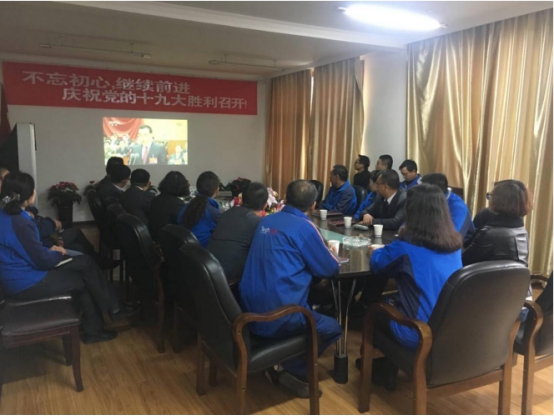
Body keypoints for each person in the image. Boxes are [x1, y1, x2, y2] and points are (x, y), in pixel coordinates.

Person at [0, 172, 137, 344]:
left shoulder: (7, 215)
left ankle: (109, 313)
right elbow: (42, 261)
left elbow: (26, 249)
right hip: (26, 282)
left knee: (85, 265)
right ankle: (101, 322)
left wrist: (49, 249)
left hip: (20, 274)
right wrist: (58, 252)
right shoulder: (19, 222)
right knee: (83, 275)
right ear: (29, 195)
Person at [239, 180, 342, 398]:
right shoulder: (305, 227)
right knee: (333, 328)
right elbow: (330, 268)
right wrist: (329, 251)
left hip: (247, 307)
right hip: (278, 315)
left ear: (285, 198)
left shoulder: (267, 221)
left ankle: (282, 360)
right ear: (313, 205)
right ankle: (289, 366)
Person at [359, 183, 463, 389]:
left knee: (374, 311)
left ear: (411, 211)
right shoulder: (454, 244)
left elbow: (379, 265)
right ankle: (386, 368)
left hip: (418, 332)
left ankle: (378, 369)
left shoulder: (406, 246)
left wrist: (375, 251)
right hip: (451, 329)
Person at [462, 180, 532, 269]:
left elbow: (463, 260)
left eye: (490, 196)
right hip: (517, 278)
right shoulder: (522, 230)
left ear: (498, 200)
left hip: (487, 277)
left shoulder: (490, 233)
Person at [207, 182, 268, 283]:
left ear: (241, 200)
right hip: (229, 282)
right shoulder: (258, 223)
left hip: (208, 273)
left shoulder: (226, 214)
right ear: (265, 205)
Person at [421, 173, 475, 239]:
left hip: (458, 243)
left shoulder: (458, 207)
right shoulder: (429, 200)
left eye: (423, 191)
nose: (420, 194)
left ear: (435, 192)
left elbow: (452, 237)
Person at [178, 171, 221, 247]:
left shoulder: (186, 207)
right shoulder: (214, 213)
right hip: (204, 251)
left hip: (185, 250)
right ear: (217, 191)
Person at [148, 171, 190, 241]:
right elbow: (185, 224)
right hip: (169, 241)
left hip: (156, 238)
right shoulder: (176, 203)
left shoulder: (156, 199)